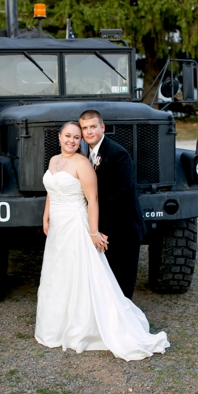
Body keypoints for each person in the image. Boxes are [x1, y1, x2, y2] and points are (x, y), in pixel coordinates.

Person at [35, 121, 168, 361]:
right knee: (59, 272)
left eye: (77, 137)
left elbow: (93, 199)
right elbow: (52, 191)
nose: (72, 141)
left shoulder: (83, 163)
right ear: (59, 136)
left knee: (81, 273)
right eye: (68, 136)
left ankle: (85, 325)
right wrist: (46, 215)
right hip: (58, 225)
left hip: (76, 223)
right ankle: (56, 324)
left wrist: (94, 232)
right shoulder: (54, 160)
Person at [79, 109, 146, 299]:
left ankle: (125, 324)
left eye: (93, 127)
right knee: (108, 283)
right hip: (105, 229)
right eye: (85, 128)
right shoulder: (89, 153)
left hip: (121, 231)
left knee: (122, 284)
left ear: (103, 127)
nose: (89, 132)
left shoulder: (117, 154)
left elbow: (119, 196)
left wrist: (101, 231)